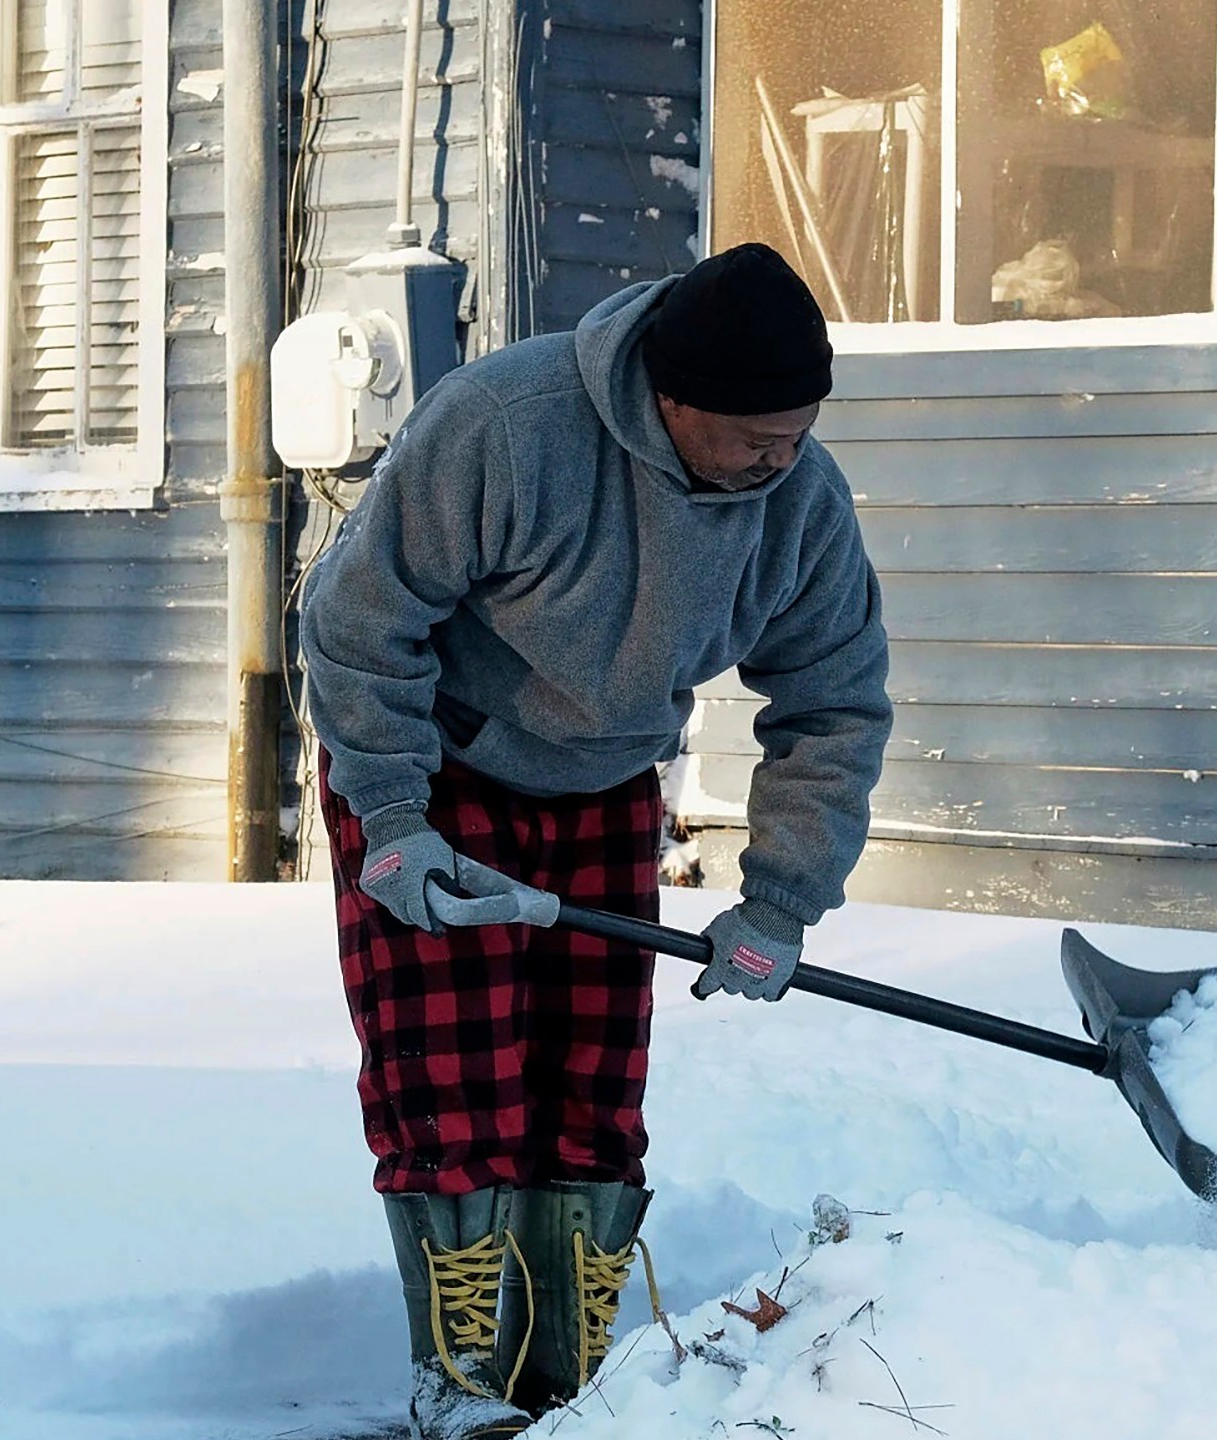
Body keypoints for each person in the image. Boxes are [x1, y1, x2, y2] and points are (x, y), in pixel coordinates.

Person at [298, 242, 892, 1440]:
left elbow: (832, 703)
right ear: (674, 403)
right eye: (757, 439)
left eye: (800, 434)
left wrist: (779, 904)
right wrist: (392, 819)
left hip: (606, 776)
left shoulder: (797, 504)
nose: (784, 462)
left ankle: (567, 1377)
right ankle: (461, 1380)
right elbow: (359, 626)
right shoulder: (507, 428)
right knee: (457, 1086)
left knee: (593, 1088)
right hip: (436, 768)